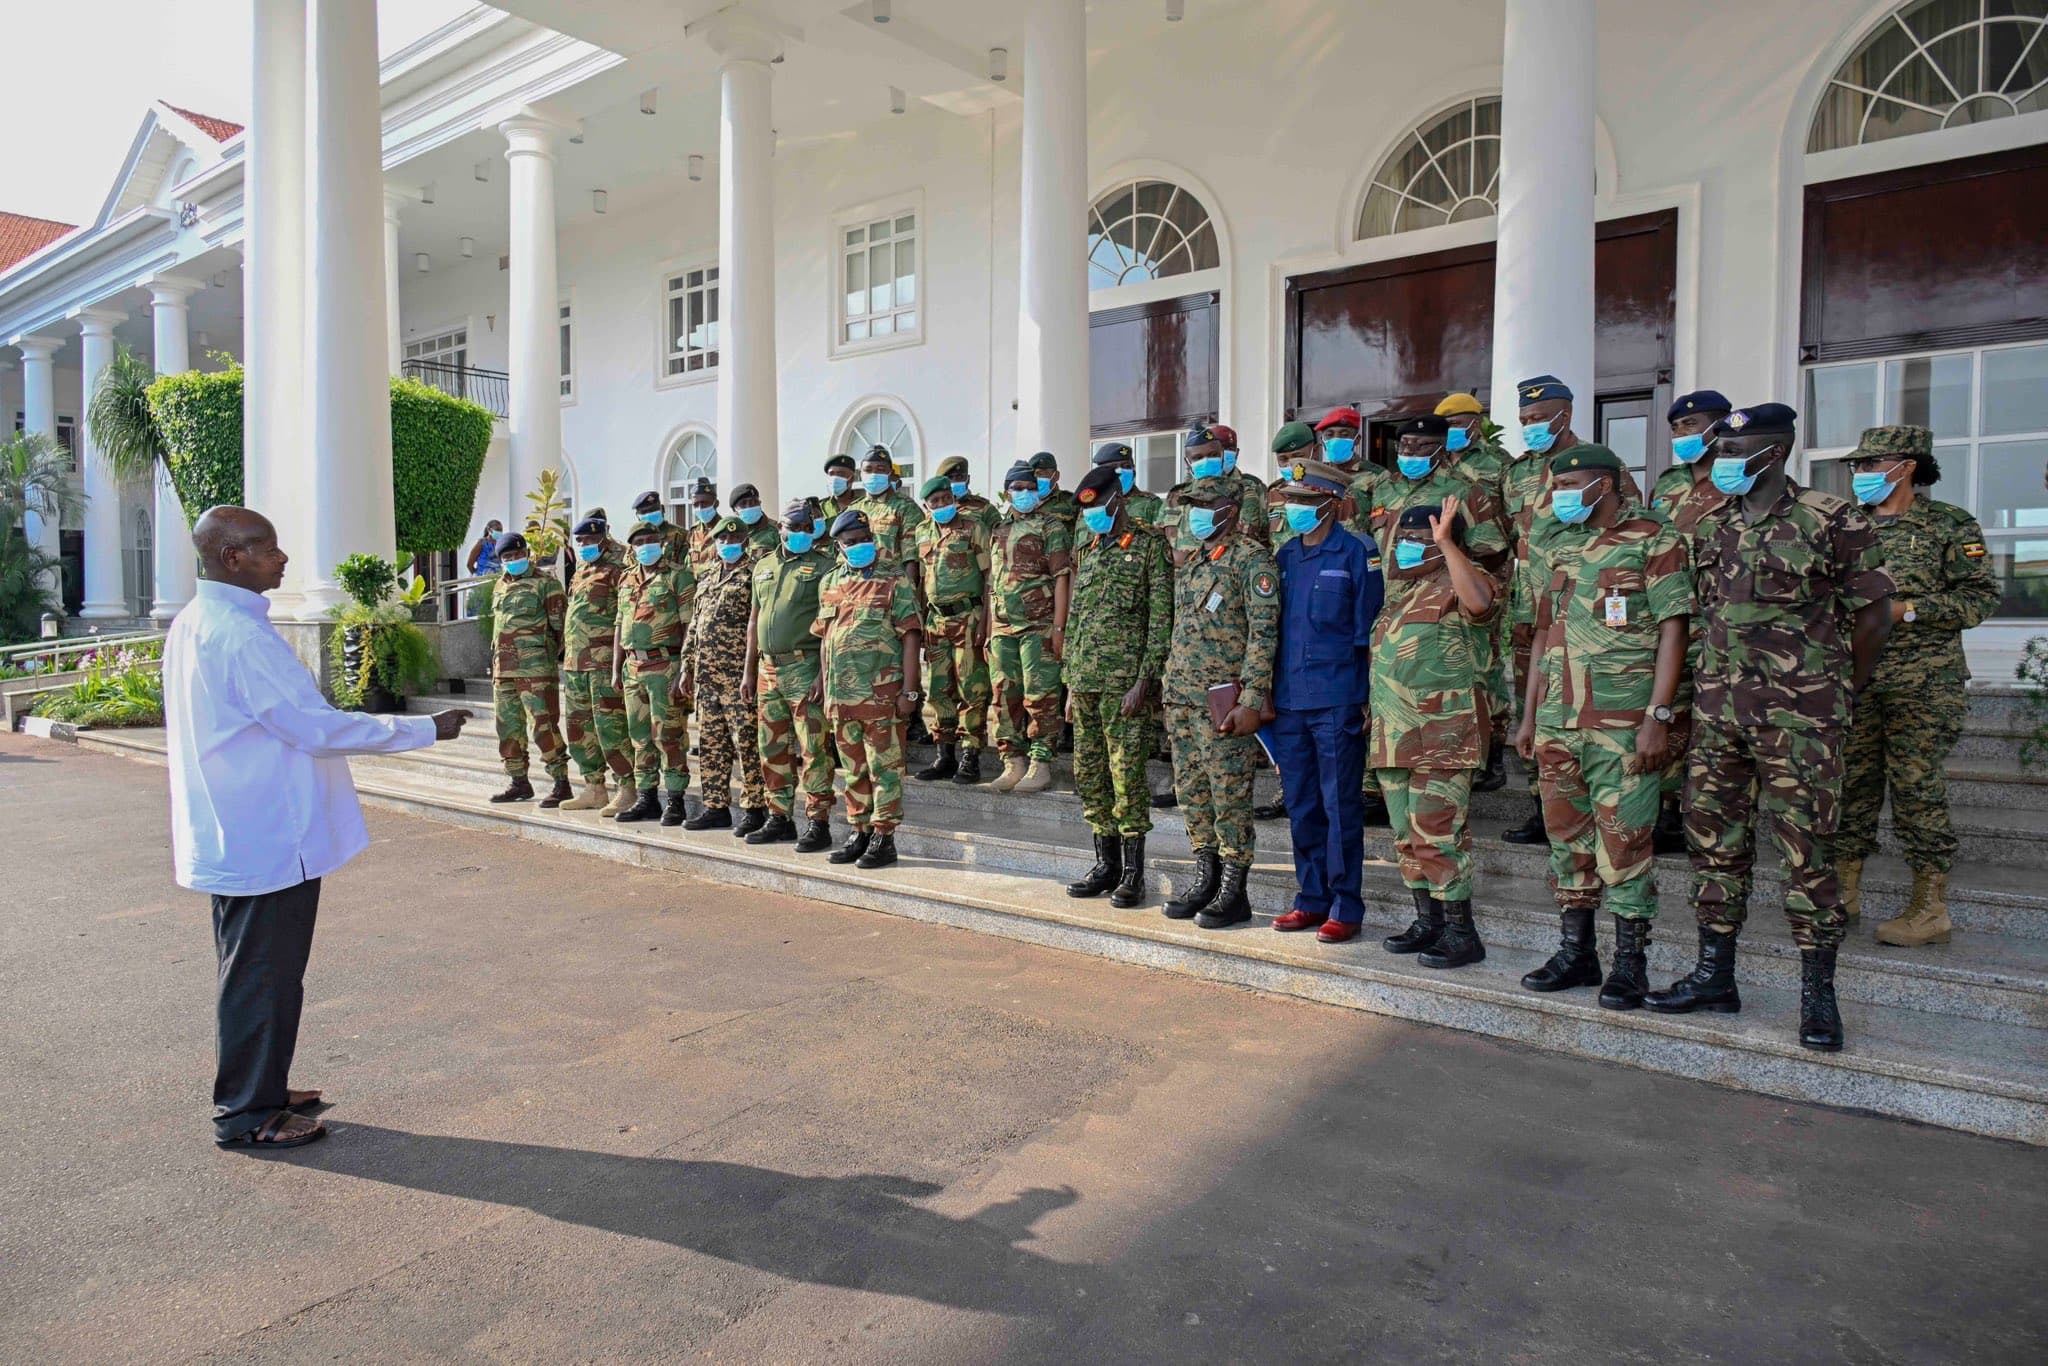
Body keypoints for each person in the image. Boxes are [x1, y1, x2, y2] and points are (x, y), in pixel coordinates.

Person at [166, 506, 471, 1149]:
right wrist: (422, 729)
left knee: (255, 970)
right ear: (231, 559)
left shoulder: (204, 620)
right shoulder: (238, 634)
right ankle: (247, 1113)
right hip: (267, 834)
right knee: (262, 974)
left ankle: (262, 1087)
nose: (282, 558)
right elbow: (315, 727)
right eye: (267, 548)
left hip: (247, 828)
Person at [1645, 403, 1893, 1053]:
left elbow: (1874, 618)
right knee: (1713, 846)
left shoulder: (1831, 518)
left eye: (1737, 451)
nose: (1723, 462)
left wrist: (1840, 688)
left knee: (1808, 855)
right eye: (1721, 451)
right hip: (1721, 717)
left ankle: (1817, 996)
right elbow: (1700, 616)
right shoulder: (1713, 525)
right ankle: (1714, 976)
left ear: (1775, 452)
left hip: (1801, 722)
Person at [1514, 445, 1692, 1009]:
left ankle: (1630, 964)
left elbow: (1674, 630)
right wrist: (1528, 716)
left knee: (1626, 842)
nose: (1562, 494)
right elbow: (1544, 635)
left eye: (1575, 484)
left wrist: (1658, 718)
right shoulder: (1558, 546)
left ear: (1609, 485)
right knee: (1567, 840)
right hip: (1557, 723)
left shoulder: (1656, 539)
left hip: (1622, 724)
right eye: (1558, 485)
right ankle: (1578, 951)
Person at [1833, 424, 2000, 947]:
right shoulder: (1844, 523)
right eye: (1857, 467)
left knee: (1915, 788)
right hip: (1854, 678)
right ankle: (1844, 892)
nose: (1859, 476)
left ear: (1905, 467)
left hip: (1923, 683)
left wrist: (1907, 611)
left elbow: (1978, 599)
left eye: (1869, 466)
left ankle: (1930, 907)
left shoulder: (1949, 524)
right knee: (1849, 787)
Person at [1371, 502, 1501, 970]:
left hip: (1444, 734)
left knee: (1439, 836)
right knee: (1407, 838)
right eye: (1401, 535)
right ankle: (1428, 921)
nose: (1405, 543)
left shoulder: (1466, 579)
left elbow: (1481, 606)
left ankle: (1462, 933)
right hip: (1393, 733)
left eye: (1418, 536)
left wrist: (1446, 546)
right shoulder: (1401, 592)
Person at [1264, 460, 1383, 942]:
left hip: (1337, 698)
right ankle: (1310, 899)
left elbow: (1371, 630)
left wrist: (1367, 697)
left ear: (1330, 504)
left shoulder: (1358, 552)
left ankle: (1345, 905)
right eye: (1290, 501)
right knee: (1302, 804)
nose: (1294, 510)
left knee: (1340, 805)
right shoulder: (1285, 556)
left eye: (1304, 502)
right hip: (1289, 700)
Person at [1159, 475, 1280, 929]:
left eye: (1204, 506)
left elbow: (1263, 635)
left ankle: (1235, 888)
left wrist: (1250, 699)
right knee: (1193, 794)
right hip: (1184, 700)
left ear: (1229, 510)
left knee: (1229, 795)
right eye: (1191, 507)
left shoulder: (1252, 562)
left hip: (1223, 703)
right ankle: (1205, 876)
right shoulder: (1192, 564)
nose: (1195, 515)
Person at [1062, 461, 1174, 907]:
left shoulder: (1148, 547)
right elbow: (1078, 621)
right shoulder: (1089, 550)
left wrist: (1145, 679)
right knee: (1090, 776)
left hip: (1124, 685)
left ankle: (1133, 873)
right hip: (1086, 683)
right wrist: (1070, 684)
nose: (1091, 516)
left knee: (1126, 777)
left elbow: (1159, 617)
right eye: (1085, 511)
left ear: (1117, 500)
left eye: (1097, 507)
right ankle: (1105, 864)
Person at [1646, 388, 1733, 853]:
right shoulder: (1668, 484)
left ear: (1719, 427)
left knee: (1717, 724)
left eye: (1691, 426)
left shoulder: (1737, 482)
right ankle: (1669, 815)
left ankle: (1715, 815)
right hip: (1676, 618)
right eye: (1676, 429)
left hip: (1723, 622)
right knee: (1672, 716)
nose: (1682, 436)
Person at [813, 508, 925, 868]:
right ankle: (859, 831)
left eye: (864, 540)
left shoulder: (894, 580)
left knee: (884, 769)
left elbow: (911, 636)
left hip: (881, 695)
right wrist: (824, 683)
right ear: (839, 546)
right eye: (851, 542)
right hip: (841, 698)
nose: (859, 546)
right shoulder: (829, 582)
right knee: (854, 769)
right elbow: (825, 637)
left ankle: (884, 836)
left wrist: (910, 691)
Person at [1500, 375, 1585, 846]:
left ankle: (1582, 803)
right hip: (1529, 614)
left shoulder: (1593, 466)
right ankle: (1541, 804)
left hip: (1580, 610)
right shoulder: (1515, 474)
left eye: (1537, 418)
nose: (1529, 427)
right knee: (1529, 702)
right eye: (1524, 420)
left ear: (1564, 415)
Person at [743, 501, 839, 852]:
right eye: (792, 527)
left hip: (805, 666)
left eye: (805, 528)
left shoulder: (824, 567)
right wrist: (748, 670)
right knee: (771, 746)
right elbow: (754, 620)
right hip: (768, 668)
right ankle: (779, 816)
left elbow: (829, 626)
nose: (798, 534)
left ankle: (818, 821)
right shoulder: (763, 566)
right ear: (779, 528)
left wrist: (822, 675)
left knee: (813, 747)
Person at [1436, 392, 1513, 793]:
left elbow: (1511, 524)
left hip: (1486, 571)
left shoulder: (1498, 465)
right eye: (1444, 426)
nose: (1450, 433)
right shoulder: (1435, 463)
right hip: (1439, 578)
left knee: (1486, 665)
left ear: (1475, 422)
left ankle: (1493, 753)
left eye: (1457, 424)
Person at [986, 460, 1072, 793]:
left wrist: (1059, 629)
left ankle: (1041, 762)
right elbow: (993, 581)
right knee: (1004, 693)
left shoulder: (1051, 527)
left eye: (1030, 487)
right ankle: (1013, 761)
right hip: (1003, 628)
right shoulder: (1000, 529)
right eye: (1017, 488)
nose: (1024, 493)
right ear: (1007, 492)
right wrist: (991, 628)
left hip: (1039, 626)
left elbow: (1062, 578)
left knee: (1041, 695)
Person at [679, 515, 767, 834]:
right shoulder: (706, 576)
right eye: (722, 540)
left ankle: (754, 807)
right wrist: (686, 667)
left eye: (734, 539)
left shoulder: (754, 574)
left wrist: (750, 672)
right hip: (707, 676)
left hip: (737, 676)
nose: (728, 544)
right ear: (714, 543)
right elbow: (695, 625)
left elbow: (755, 627)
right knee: (711, 742)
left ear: (745, 540)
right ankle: (715, 806)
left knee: (745, 742)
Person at [611, 521, 697, 826]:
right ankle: (647, 798)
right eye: (639, 542)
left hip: (665, 666)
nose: (645, 546)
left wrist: (684, 669)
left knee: (669, 736)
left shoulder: (677, 576)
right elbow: (620, 624)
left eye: (651, 540)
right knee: (639, 737)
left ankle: (675, 800)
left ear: (661, 542)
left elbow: (689, 625)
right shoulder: (626, 579)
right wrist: (615, 668)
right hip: (632, 667)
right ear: (631, 548)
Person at [912, 474, 993, 784]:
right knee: (937, 688)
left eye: (946, 499)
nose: (943, 505)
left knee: (972, 688)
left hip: (968, 617)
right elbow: (920, 581)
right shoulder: (922, 532)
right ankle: (945, 754)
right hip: (935, 622)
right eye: (936, 502)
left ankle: (971, 754)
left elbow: (989, 579)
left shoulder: (974, 528)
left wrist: (985, 622)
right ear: (926, 506)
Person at [559, 514, 636, 814]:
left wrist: (619, 662)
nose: (584, 545)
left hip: (603, 662)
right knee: (579, 728)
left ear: (603, 536)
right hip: (575, 662)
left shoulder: (620, 564)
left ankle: (627, 787)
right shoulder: (582, 568)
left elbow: (624, 613)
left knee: (611, 727)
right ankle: (594, 787)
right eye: (579, 541)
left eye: (589, 540)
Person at [487, 530, 569, 806]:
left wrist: (542, 657)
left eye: (518, 555)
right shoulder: (499, 586)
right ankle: (519, 782)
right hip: (503, 670)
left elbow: (560, 628)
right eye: (508, 557)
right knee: (507, 729)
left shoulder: (546, 583)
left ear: (527, 554)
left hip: (535, 671)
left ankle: (561, 782)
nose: (514, 560)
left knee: (544, 728)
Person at [1171, 425, 1267, 550]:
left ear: (1222, 456)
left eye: (1213, 455)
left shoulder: (1242, 493)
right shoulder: (1176, 495)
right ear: (1187, 462)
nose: (1206, 461)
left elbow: (1247, 542)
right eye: (1198, 458)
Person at [850, 445, 927, 566]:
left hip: (893, 582)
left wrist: (909, 585)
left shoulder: (906, 507)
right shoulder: (853, 509)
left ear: (890, 473)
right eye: (868, 470)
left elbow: (912, 559)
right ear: (861, 474)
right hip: (860, 582)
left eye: (880, 469)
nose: (874, 474)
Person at [935, 455, 1003, 535]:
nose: (955, 481)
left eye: (959, 477)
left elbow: (999, 540)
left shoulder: (984, 508)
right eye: (950, 478)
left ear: (968, 479)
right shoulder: (934, 511)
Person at [632, 488, 693, 565]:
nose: (649, 514)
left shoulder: (682, 535)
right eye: (644, 512)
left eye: (653, 510)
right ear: (637, 516)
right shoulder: (635, 540)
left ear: (663, 509)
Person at [1027, 450, 1079, 528]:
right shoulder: (1022, 503)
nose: (1036, 479)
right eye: (1032, 475)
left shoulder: (1072, 503)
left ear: (1056, 476)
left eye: (1041, 474)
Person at [684, 477, 722, 578]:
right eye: (696, 504)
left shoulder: (726, 530)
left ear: (716, 503)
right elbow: (689, 566)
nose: (700, 508)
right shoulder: (693, 532)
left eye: (705, 503)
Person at [730, 482, 781, 558]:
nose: (750, 506)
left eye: (754, 502)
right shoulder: (728, 533)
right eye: (743, 503)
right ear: (735, 510)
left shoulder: (776, 530)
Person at [818, 453, 860, 525]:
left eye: (841, 474)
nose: (835, 478)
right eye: (831, 474)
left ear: (852, 478)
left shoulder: (864, 505)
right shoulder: (819, 508)